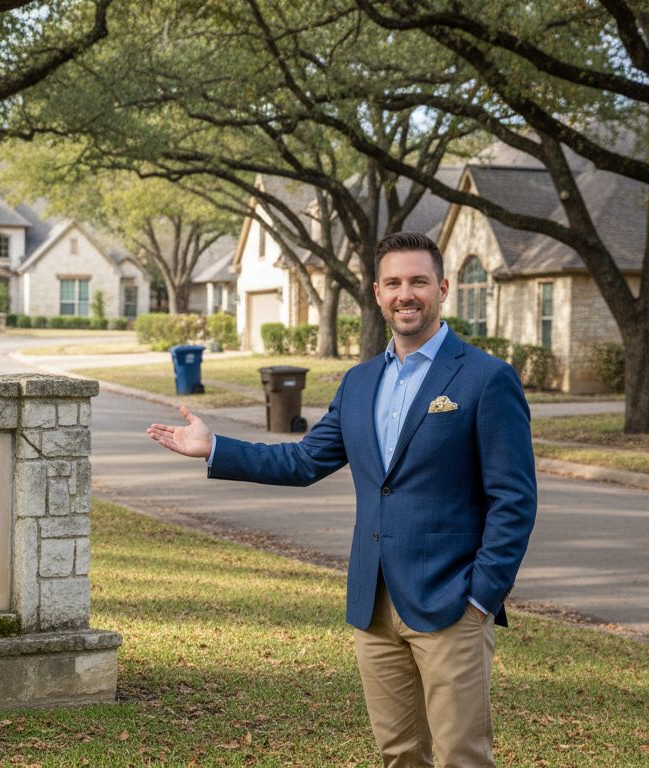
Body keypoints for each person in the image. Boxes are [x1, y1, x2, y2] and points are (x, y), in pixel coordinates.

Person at [147, 231, 536, 768]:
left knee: (461, 757)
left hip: (451, 605)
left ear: (442, 288)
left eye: (419, 281)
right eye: (394, 282)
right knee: (398, 753)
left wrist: (481, 599)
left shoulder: (486, 379)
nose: (407, 294)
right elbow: (304, 462)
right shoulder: (359, 382)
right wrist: (215, 447)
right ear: (377, 292)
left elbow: (513, 500)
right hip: (373, 604)